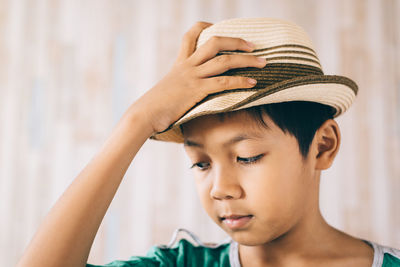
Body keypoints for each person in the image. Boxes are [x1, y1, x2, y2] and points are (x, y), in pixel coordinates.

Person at [17, 18, 400, 267]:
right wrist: (138, 120)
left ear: (322, 146)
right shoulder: (181, 264)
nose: (220, 189)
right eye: (201, 163)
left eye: (247, 157)